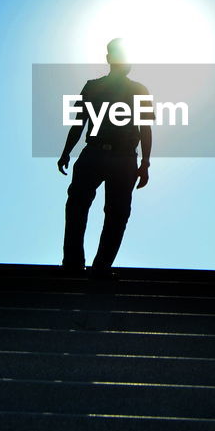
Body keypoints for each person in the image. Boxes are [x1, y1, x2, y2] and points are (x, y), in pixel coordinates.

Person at [57, 38, 151, 278]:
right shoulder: (93, 87)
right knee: (77, 206)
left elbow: (145, 128)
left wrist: (145, 163)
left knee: (117, 213)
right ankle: (73, 264)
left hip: (123, 158)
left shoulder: (139, 89)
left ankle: (100, 268)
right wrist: (66, 151)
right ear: (109, 59)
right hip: (96, 153)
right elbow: (79, 122)